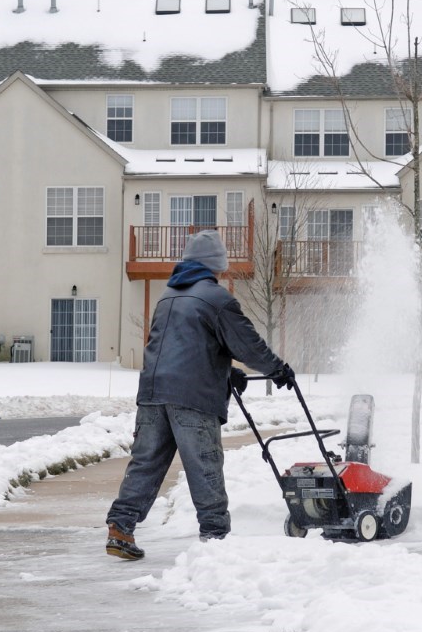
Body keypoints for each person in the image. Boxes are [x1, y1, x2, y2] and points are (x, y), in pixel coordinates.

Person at [105, 229, 296, 560]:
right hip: (191, 399)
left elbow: (182, 346)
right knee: (204, 464)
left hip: (152, 392)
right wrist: (277, 369)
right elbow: (247, 344)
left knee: (146, 464)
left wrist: (226, 372)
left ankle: (120, 528)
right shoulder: (217, 299)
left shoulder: (167, 298)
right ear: (214, 265)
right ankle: (215, 538)